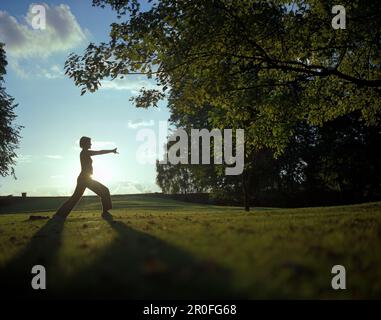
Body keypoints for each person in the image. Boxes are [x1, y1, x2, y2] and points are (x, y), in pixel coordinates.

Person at [53, 136, 118, 219]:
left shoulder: (85, 152)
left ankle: (59, 215)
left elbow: (99, 152)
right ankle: (105, 213)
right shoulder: (84, 152)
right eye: (89, 142)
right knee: (104, 191)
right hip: (85, 179)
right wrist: (111, 151)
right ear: (85, 143)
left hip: (85, 178)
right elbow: (99, 152)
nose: (91, 144)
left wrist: (111, 151)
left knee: (75, 197)